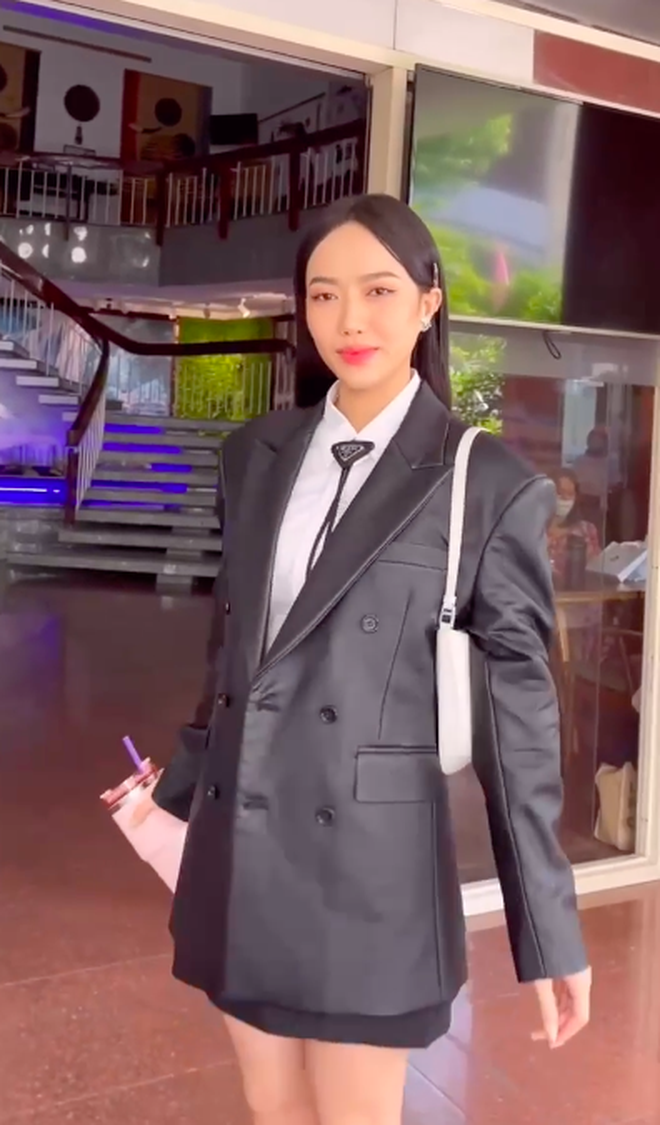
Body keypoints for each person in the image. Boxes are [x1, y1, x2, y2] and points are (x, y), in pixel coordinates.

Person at [143, 194, 591, 1125]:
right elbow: (235, 650)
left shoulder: (485, 480)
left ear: (429, 301)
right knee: (272, 1106)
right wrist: (178, 787)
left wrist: (548, 928)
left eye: (380, 290)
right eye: (324, 294)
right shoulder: (254, 454)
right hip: (243, 847)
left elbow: (518, 719)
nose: (350, 320)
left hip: (370, 871)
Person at [547, 467, 600, 584]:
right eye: (559, 493)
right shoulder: (533, 530)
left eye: (570, 494)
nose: (565, 498)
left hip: (578, 592)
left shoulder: (587, 530)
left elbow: (596, 571)